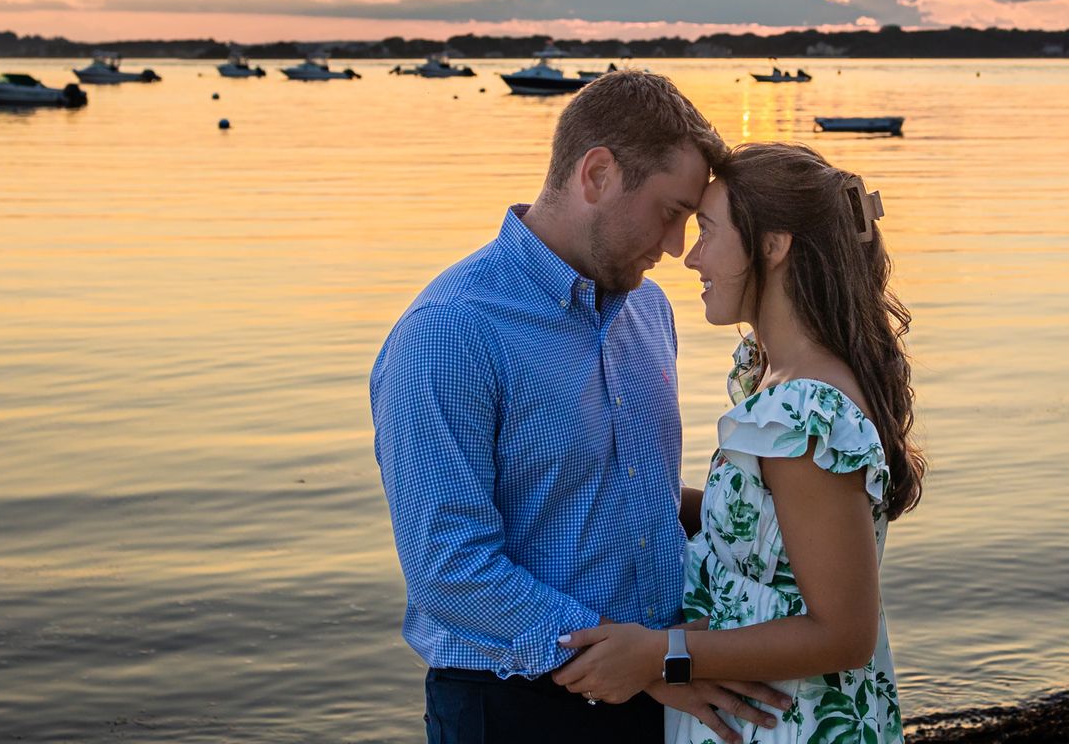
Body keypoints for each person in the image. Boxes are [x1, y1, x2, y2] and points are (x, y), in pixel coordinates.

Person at [370, 71, 793, 744]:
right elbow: (448, 569)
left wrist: (776, 507)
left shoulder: (647, 311)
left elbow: (626, 492)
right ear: (596, 174)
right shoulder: (449, 332)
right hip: (515, 706)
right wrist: (633, 664)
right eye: (670, 212)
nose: (679, 247)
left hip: (659, 684)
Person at [551, 142, 926, 744]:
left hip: (790, 723)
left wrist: (660, 656)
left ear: (773, 246)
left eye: (707, 231)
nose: (690, 256)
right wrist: (641, 497)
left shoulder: (802, 414)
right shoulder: (776, 378)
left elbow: (845, 632)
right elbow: (774, 527)